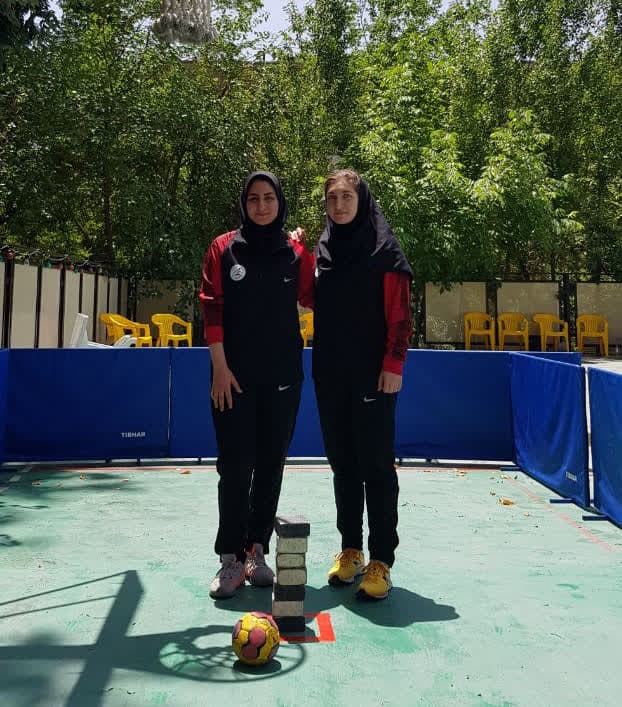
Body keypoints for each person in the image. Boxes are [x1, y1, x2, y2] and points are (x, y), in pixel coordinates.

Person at [199, 171, 314, 599]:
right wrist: (220, 368)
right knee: (234, 467)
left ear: (280, 203)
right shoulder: (223, 248)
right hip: (231, 378)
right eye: (253, 198)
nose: (262, 206)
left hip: (283, 378)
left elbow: (315, 296)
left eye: (269, 198)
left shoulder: (295, 252)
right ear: (243, 204)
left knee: (270, 465)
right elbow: (211, 310)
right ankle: (230, 557)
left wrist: (309, 249)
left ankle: (256, 550)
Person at [312, 169, 413, 600]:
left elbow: (400, 316)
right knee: (344, 464)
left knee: (376, 466)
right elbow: (306, 296)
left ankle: (381, 560)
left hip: (374, 374)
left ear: (362, 200)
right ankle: (351, 550)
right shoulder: (323, 250)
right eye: (332, 198)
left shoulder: (384, 251)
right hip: (329, 372)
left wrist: (394, 364)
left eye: (346, 197)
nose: (339, 205)